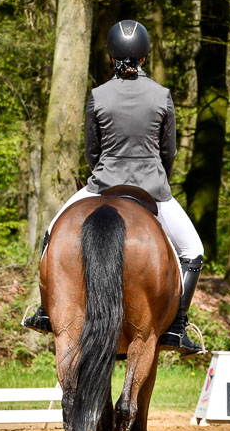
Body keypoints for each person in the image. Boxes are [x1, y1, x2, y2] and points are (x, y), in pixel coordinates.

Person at [24, 19, 204, 354]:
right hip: (153, 189)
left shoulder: (98, 96)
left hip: (102, 184)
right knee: (193, 250)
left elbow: (92, 152)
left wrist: (104, 175)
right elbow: (169, 153)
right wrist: (156, 181)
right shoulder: (162, 96)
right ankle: (177, 326)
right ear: (144, 58)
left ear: (112, 58)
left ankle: (45, 312)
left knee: (52, 234)